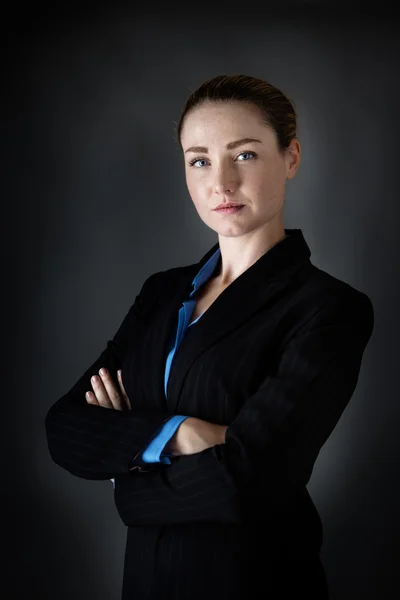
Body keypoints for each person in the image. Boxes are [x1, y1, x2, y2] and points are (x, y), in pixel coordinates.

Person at [45, 74, 374, 599]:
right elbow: (65, 427)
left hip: (255, 582)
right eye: (199, 159)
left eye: (243, 155)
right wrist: (181, 433)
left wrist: (128, 473)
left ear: (290, 157)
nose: (220, 183)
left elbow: (252, 480)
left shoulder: (327, 308)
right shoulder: (161, 293)